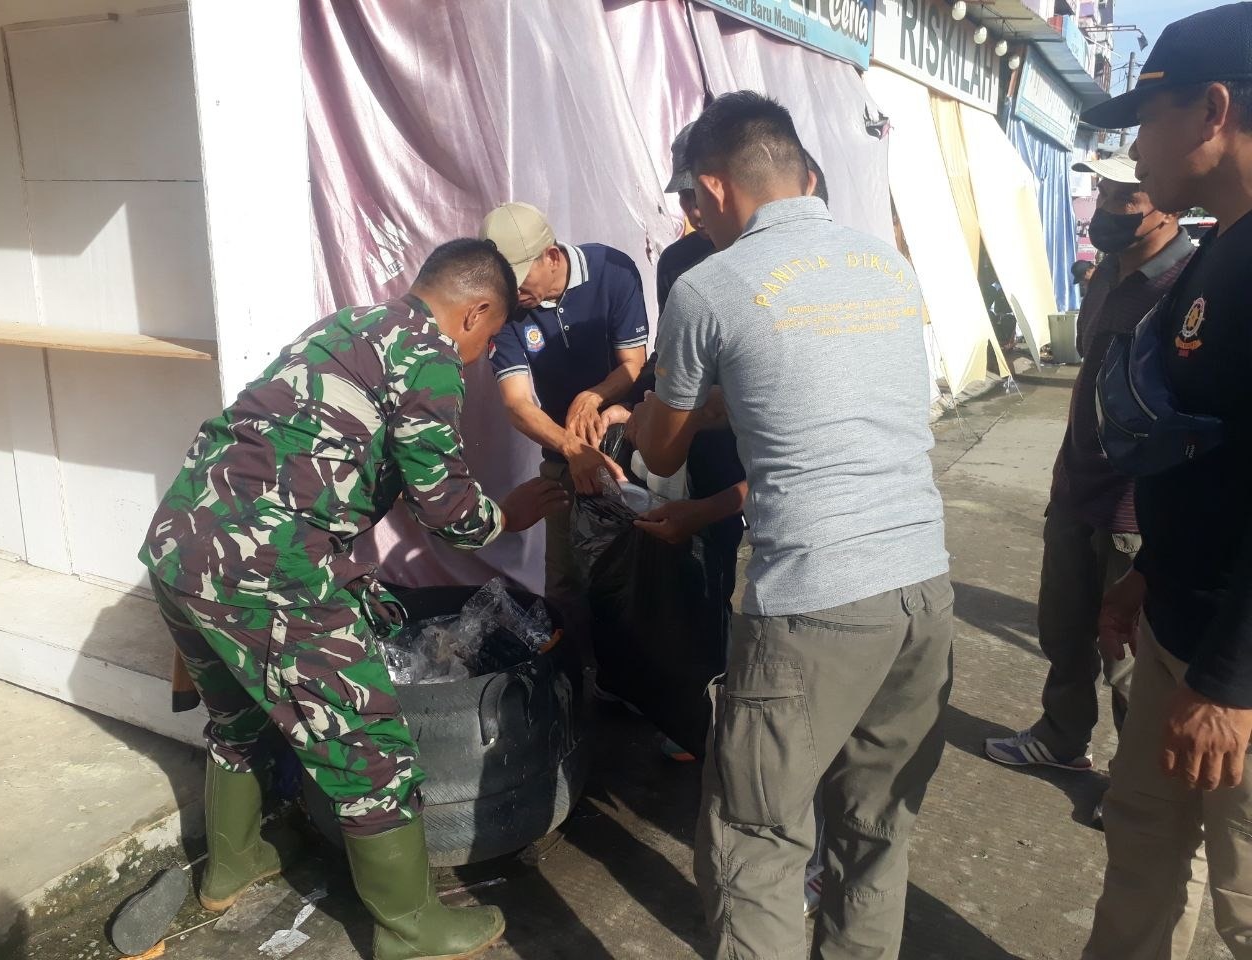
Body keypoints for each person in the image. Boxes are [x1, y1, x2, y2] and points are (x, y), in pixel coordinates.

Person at [138, 239, 567, 960]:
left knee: (239, 716)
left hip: (181, 548)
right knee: (373, 752)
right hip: (264, 571)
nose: (482, 355)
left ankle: (233, 865)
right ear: (475, 313)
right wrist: (510, 514)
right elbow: (448, 510)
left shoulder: (345, 326)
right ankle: (411, 929)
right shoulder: (428, 354)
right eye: (490, 338)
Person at [635, 90, 953, 960]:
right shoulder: (886, 264)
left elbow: (660, 448)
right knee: (875, 831)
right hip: (922, 588)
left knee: (756, 841)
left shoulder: (708, 286)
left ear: (714, 186)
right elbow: (825, 400)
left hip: (814, 601)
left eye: (692, 202)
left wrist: (641, 410)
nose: (693, 219)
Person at [1078, 5, 1252, 957]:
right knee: (1142, 853)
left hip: (1235, 671)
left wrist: (1230, 683)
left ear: (1213, 111)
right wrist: (1151, 573)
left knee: (1244, 904)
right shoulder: (1220, 249)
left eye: (1147, 120)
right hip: (1178, 628)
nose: (1136, 151)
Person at [984, 158, 1192, 797]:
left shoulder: (1188, 286)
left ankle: (1134, 786)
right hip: (1076, 490)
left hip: (1134, 509)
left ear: (1168, 205)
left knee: (1127, 659)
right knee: (1062, 630)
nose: (1106, 208)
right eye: (1103, 192)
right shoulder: (1105, 274)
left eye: (1126, 196)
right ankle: (1062, 738)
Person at [479, 202, 648, 650]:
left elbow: (634, 363)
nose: (513, 294)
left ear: (551, 256)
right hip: (562, 458)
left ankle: (630, 673)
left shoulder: (612, 271)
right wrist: (572, 449)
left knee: (633, 571)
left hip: (626, 447)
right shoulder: (507, 310)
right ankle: (569, 673)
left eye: (518, 281)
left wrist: (594, 396)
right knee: (565, 581)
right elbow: (517, 404)